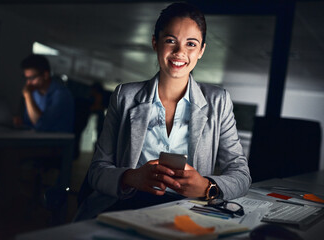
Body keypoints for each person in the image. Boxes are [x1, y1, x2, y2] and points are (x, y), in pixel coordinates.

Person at [75, 2, 251, 220]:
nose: (179, 52)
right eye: (170, 41)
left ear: (201, 51)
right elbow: (97, 171)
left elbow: (241, 175)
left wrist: (207, 187)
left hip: (187, 211)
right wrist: (132, 178)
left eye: (191, 44)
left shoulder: (218, 101)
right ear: (155, 43)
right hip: (126, 206)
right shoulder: (124, 96)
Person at [13, 54, 74, 133]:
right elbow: (28, 122)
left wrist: (28, 96)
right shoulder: (34, 92)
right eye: (26, 78)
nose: (28, 83)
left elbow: (41, 125)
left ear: (45, 75)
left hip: (55, 142)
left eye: (32, 78)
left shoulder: (61, 95)